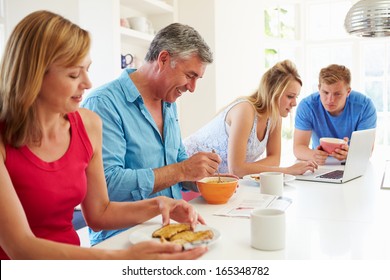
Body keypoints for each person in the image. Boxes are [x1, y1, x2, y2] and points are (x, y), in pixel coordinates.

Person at [0, 10, 207, 260]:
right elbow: (20, 247)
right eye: (74, 74)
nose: (88, 82)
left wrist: (160, 204)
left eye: (87, 70)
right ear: (34, 76)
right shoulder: (7, 140)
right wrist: (119, 259)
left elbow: (99, 213)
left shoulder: (87, 125)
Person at [81, 23, 221, 245]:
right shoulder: (103, 104)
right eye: (190, 75)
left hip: (172, 231)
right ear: (163, 59)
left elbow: (177, 160)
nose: (192, 87)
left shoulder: (169, 102)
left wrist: (201, 177)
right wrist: (182, 170)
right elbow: (108, 184)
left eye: (197, 79)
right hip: (122, 239)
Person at [184, 60, 318, 178]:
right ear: (273, 92)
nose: (294, 103)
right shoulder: (245, 110)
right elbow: (237, 169)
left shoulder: (275, 117)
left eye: (296, 97)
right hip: (185, 171)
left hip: (215, 181)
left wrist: (246, 168)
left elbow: (274, 159)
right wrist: (288, 171)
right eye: (290, 96)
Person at [293, 64, 377, 165]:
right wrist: (313, 155)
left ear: (348, 92)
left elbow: (366, 150)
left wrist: (350, 153)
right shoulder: (307, 106)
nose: (330, 100)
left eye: (337, 94)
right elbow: (298, 147)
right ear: (319, 88)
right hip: (320, 164)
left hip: (352, 164)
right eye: (325, 92)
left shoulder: (365, 106)